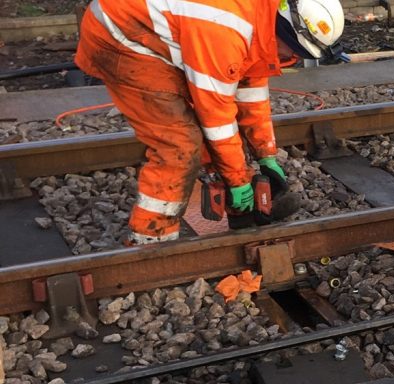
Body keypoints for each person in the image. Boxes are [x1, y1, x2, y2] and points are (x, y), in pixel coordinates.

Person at [74, 0, 345, 244]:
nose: (293, 59)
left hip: (156, 29)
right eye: (296, 51)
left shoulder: (258, 19)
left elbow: (250, 94)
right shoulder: (227, 31)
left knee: (219, 138)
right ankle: (151, 240)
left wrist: (266, 155)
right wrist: (237, 180)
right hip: (123, 36)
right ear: (285, 30)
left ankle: (241, 212)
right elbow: (216, 119)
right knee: (179, 146)